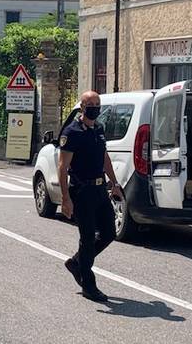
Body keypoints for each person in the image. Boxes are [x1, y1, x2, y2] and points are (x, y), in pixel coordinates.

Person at [58, 90, 123, 302]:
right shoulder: (72, 132)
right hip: (82, 191)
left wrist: (114, 183)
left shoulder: (99, 129)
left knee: (108, 233)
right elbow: (63, 166)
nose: (96, 107)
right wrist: (66, 198)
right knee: (87, 239)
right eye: (91, 104)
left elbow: (105, 158)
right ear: (83, 107)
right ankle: (89, 284)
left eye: (98, 103)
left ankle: (77, 262)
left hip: (99, 189)